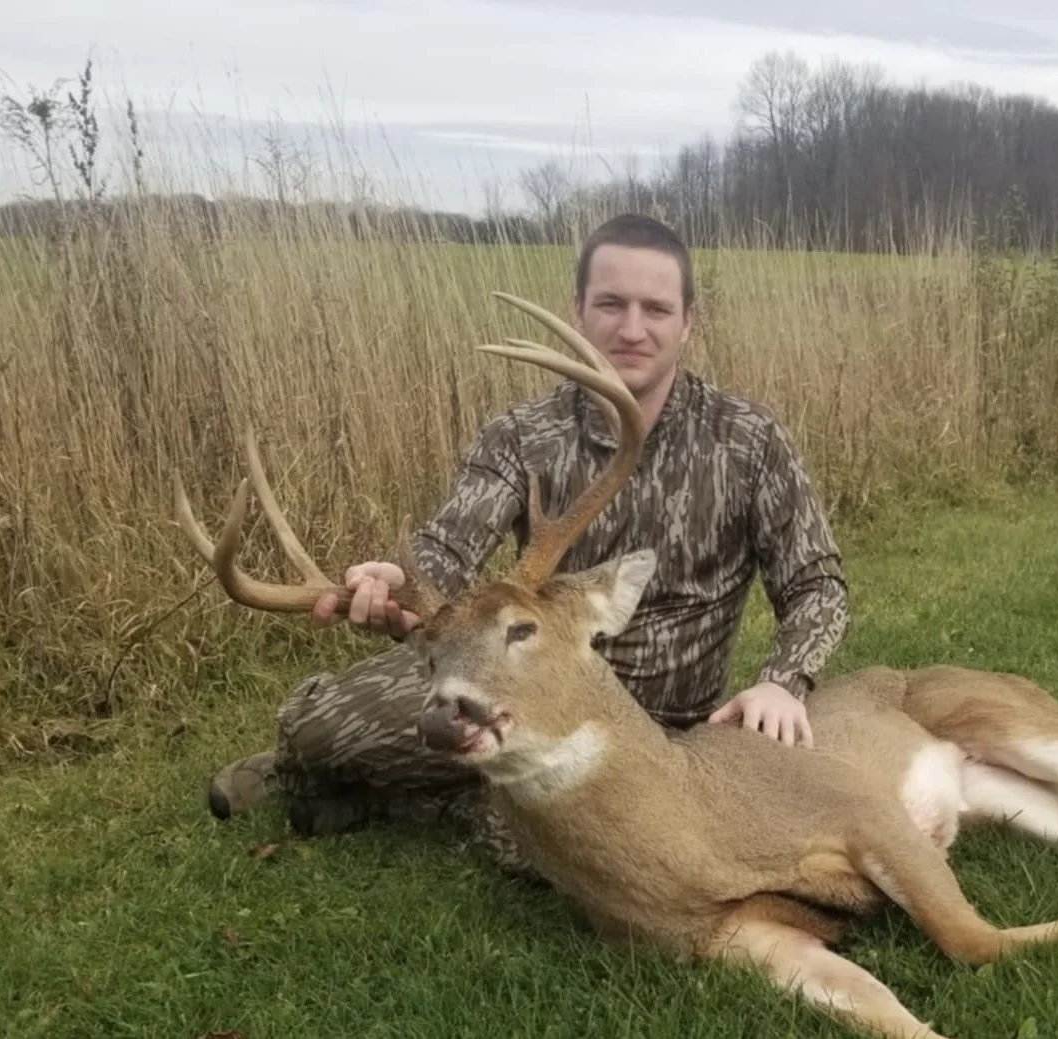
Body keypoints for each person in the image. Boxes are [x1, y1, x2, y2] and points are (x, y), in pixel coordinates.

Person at [208, 214, 851, 875]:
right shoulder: (523, 435)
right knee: (317, 728)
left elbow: (818, 586)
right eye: (611, 304)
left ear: (688, 320)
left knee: (544, 848)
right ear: (578, 309)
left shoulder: (748, 439)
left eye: (656, 308)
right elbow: (447, 548)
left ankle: (418, 800)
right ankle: (294, 770)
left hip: (657, 727)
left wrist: (782, 682)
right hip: (514, 673)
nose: (632, 329)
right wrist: (397, 585)